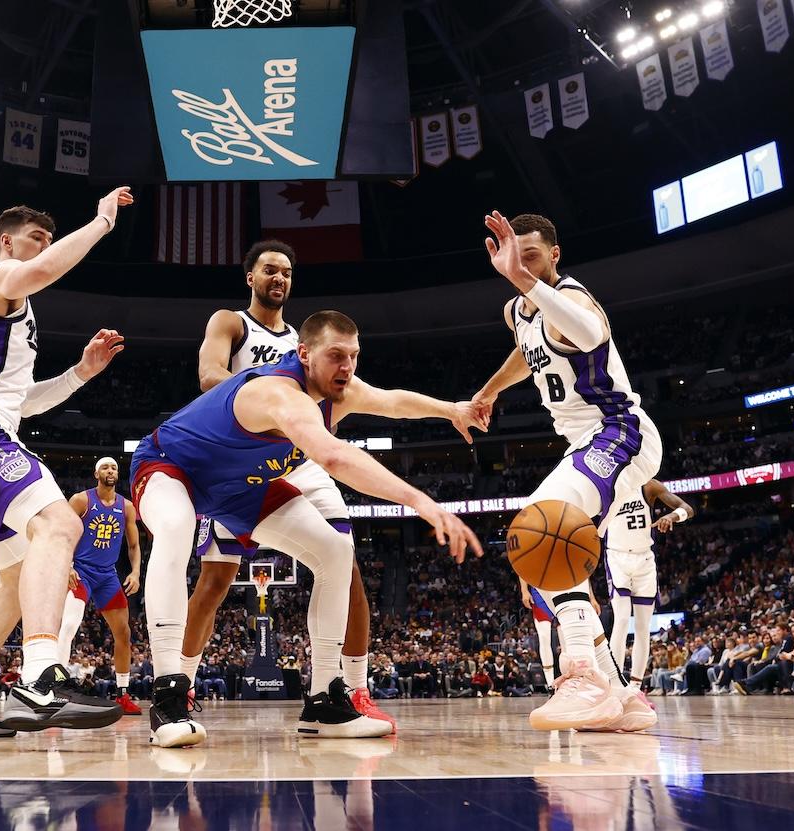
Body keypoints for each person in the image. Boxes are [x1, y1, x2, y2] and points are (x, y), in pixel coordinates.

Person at [130, 309, 484, 747]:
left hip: (241, 487)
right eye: (336, 355)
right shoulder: (281, 394)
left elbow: (392, 402)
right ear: (304, 354)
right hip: (170, 464)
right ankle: (168, 696)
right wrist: (420, 501)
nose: (347, 367)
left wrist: (452, 409)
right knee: (178, 528)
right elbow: (333, 457)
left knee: (335, 553)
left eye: (353, 356)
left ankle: (324, 701)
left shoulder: (341, 390)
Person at [0, 191, 134, 738]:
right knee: (60, 523)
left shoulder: (15, 312)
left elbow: (21, 401)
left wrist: (81, 373)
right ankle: (40, 677)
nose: (45, 248)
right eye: (36, 239)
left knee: (17, 579)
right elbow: (41, 269)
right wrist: (102, 222)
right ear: (7, 244)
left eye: (47, 239)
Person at [183, 241, 397, 730]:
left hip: (300, 463)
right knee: (214, 583)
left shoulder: (310, 340)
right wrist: (270, 402)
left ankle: (352, 691)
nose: (278, 278)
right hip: (240, 457)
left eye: (286, 272)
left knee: (346, 567)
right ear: (250, 277)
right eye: (269, 270)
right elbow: (208, 374)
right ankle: (185, 685)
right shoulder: (231, 322)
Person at [473, 212, 660, 733]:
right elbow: (526, 354)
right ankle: (621, 698)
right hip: (584, 441)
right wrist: (488, 391)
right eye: (515, 257)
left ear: (554, 256)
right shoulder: (519, 309)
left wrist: (524, 278)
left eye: (530, 256)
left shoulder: (573, 299)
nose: (521, 265)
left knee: (542, 523)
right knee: (537, 560)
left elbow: (591, 331)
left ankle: (580, 673)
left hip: (621, 430)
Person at [56, 457, 144, 715]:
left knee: (124, 633)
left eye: (114, 467)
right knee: (70, 625)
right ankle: (55, 690)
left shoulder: (126, 507)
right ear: (96, 473)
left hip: (107, 575)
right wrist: (68, 564)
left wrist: (136, 572)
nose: (110, 471)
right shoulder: (81, 500)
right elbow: (62, 534)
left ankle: (122, 694)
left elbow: (134, 546)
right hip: (81, 571)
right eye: (105, 467)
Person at [605, 479, 695, 692]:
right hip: (617, 557)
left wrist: (672, 515)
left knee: (643, 626)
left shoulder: (648, 486)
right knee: (622, 618)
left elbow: (688, 509)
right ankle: (614, 683)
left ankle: (635, 686)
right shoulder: (605, 485)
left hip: (644, 559)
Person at [519, 576, 556, 692]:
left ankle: (570, 679)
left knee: (565, 639)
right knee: (544, 637)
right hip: (539, 589)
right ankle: (551, 684)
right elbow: (522, 565)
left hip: (560, 587)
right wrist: (524, 590)